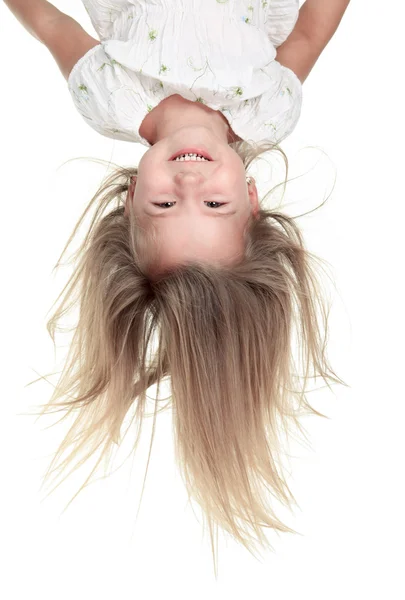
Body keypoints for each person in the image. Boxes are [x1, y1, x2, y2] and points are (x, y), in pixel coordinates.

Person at [4, 0, 351, 577]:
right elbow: (314, 28)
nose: (190, 181)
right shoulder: (270, 110)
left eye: (165, 204)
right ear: (253, 199)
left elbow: (48, 22)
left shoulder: (106, 97)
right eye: (216, 205)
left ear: (129, 198)